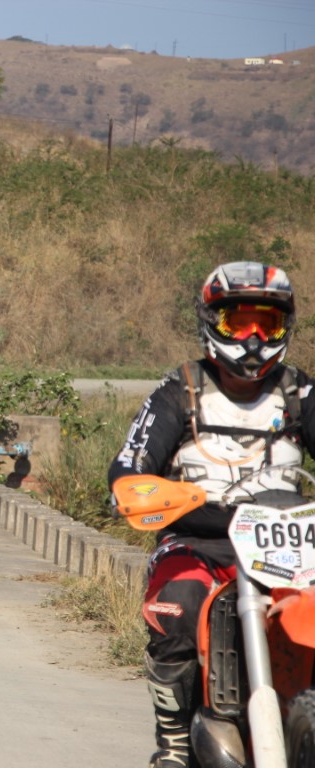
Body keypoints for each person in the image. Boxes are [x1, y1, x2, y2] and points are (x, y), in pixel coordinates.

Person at [108, 261, 315, 768]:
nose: (252, 338)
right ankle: (175, 742)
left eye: (266, 324)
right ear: (210, 323)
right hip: (199, 543)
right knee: (178, 606)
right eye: (237, 323)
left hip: (288, 548)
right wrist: (134, 489)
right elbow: (131, 463)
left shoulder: (300, 393)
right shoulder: (180, 390)